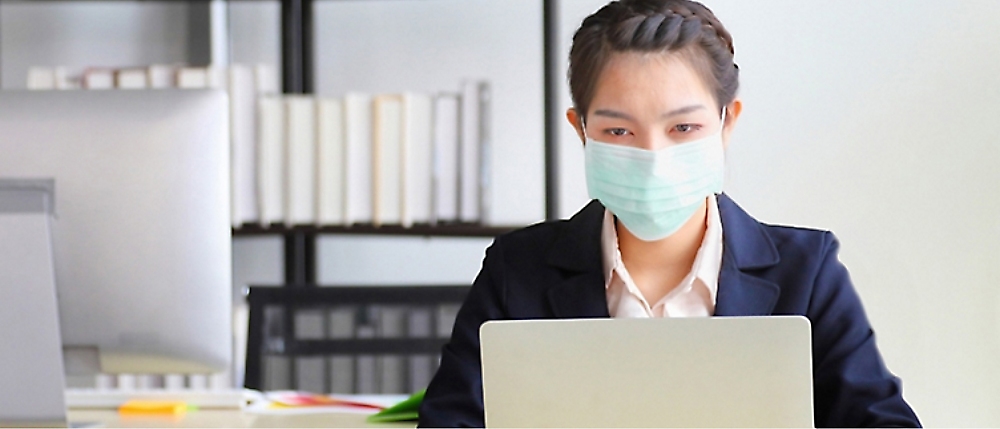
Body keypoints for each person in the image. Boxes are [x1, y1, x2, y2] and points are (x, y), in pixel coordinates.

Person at [417, 0, 921, 427]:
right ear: (581, 130)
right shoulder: (517, 270)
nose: (654, 157)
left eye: (683, 129)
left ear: (726, 124)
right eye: (619, 132)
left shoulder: (805, 271)